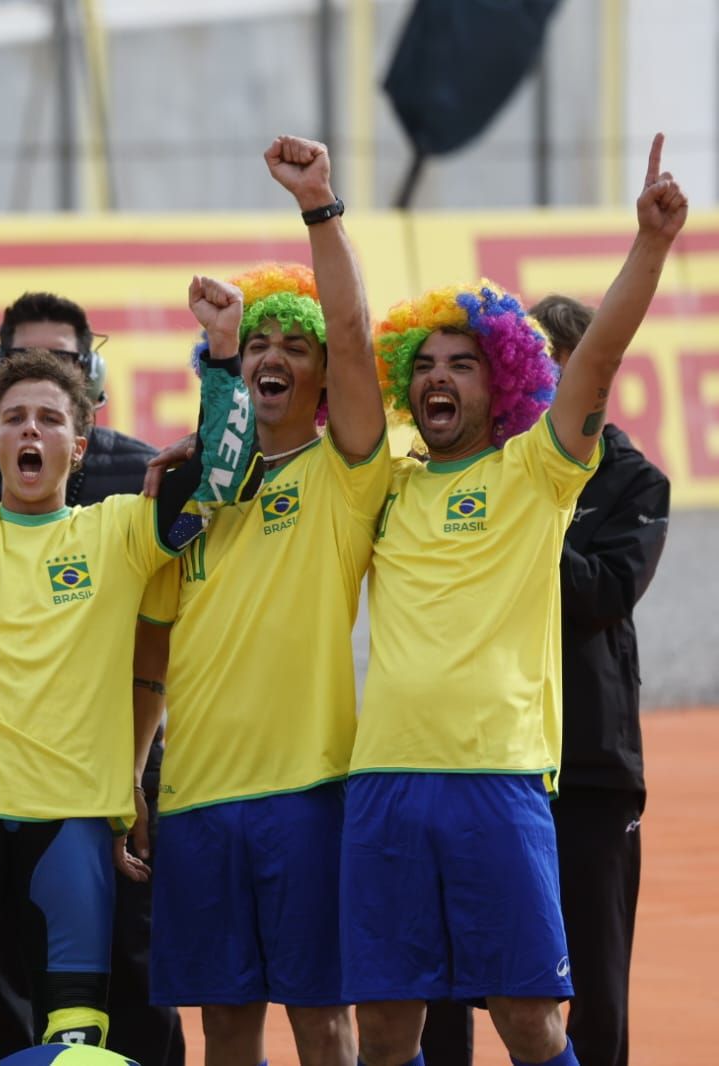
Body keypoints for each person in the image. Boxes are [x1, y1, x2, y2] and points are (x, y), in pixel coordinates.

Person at [0, 264, 257, 1065]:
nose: (30, 432)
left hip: (72, 824)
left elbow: (219, 475)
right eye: (15, 419)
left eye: (49, 419)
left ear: (81, 437)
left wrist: (220, 350)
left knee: (76, 1050)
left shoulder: (118, 533)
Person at [343, 135, 687, 1066]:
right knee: (382, 1030)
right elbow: (342, 340)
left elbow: (599, 358)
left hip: (497, 783)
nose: (438, 377)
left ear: (501, 383)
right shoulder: (386, 487)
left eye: (461, 362)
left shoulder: (536, 474)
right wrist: (322, 211)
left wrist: (648, 246)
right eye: (424, 363)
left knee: (530, 1022)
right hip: (382, 785)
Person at [134, 135, 381, 1066]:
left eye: (293, 346)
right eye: (254, 344)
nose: (269, 358)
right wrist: (134, 773)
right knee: (224, 1032)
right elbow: (152, 653)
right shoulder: (184, 498)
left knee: (322, 1024)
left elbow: (355, 335)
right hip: (195, 797)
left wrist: (317, 204)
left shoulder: (343, 472)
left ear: (318, 379)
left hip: (309, 794)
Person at [418, 295, 673, 1066]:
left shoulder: (633, 481)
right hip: (473, 756)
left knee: (590, 981)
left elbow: (598, 595)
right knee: (446, 975)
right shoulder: (471, 470)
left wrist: (528, 519)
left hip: (588, 765)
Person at [0, 291, 185, 1066]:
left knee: (132, 967)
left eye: (63, 360)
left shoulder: (140, 471)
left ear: (89, 374)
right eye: (26, 359)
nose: (45, 375)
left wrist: (131, 765)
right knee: (2, 977)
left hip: (119, 758)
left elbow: (158, 633)